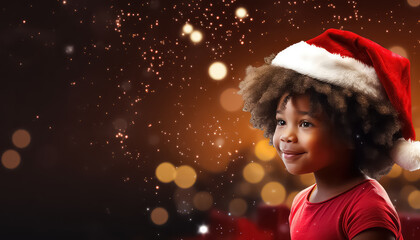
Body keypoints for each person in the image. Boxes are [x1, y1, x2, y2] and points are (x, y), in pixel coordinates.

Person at [238, 28, 420, 240]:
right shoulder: (300, 201)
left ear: (352, 130)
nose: (287, 136)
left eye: (305, 123)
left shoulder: (366, 209)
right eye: (281, 121)